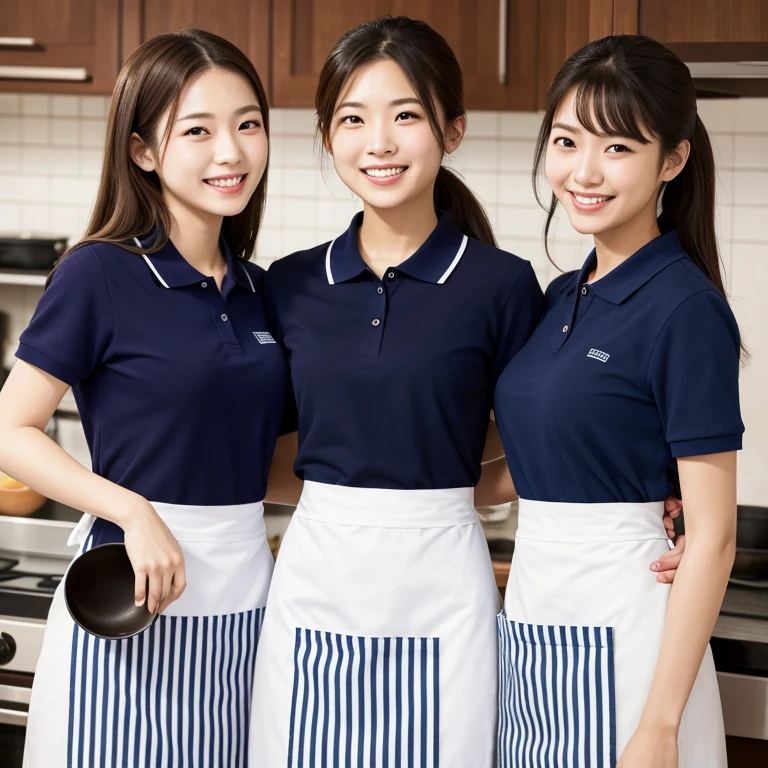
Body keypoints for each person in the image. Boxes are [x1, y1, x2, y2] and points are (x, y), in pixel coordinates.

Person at [249, 18, 684, 768]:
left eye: (406, 116)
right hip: (312, 574)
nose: (378, 143)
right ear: (327, 135)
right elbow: (270, 448)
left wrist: (657, 497)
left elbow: (541, 431)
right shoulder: (288, 284)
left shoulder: (504, 287)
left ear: (452, 131)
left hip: (444, 582)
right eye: (353, 119)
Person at [0, 30, 288, 767]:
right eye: (197, 130)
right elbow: (11, 429)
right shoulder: (99, 273)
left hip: (242, 600)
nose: (231, 151)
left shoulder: (261, 292)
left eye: (247, 124)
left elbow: (272, 462)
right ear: (144, 151)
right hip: (127, 600)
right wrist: (130, 509)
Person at [485, 34, 743, 768]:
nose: (584, 172)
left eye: (619, 147)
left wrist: (659, 727)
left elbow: (716, 537)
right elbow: (529, 462)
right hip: (538, 616)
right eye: (566, 141)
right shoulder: (564, 295)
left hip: (631, 633)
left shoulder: (684, 308)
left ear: (673, 160)